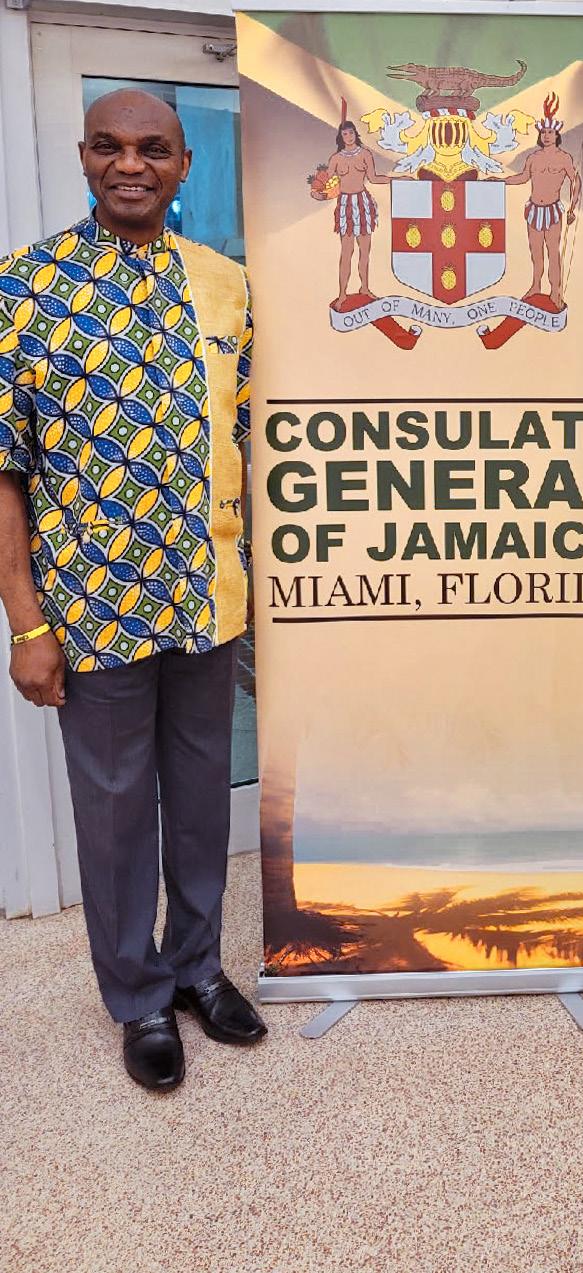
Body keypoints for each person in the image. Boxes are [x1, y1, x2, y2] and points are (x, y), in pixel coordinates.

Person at [0, 88, 266, 1092]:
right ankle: (139, 995)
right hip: (92, 608)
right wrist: (25, 622)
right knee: (115, 812)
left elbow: (247, 441)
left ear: (183, 166)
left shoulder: (228, 287)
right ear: (83, 156)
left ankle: (197, 966)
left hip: (208, 598)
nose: (130, 164)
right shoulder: (23, 289)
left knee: (199, 799)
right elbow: (4, 471)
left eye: (153, 149)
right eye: (109, 146)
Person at [497, 93, 581, 309]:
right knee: (536, 253)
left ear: (557, 135)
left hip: (553, 211)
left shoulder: (564, 158)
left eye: (550, 132)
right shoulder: (533, 158)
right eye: (543, 132)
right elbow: (523, 177)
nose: (546, 136)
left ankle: (555, 291)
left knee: (553, 252)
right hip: (534, 209)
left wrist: (572, 208)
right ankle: (535, 285)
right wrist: (501, 181)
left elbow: (575, 181)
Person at [313, 117, 391, 310]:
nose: (348, 136)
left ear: (356, 134)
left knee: (365, 251)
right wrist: (318, 193)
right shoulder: (335, 159)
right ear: (341, 137)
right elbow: (329, 185)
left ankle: (365, 288)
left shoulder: (365, 154)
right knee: (346, 252)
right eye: (345, 134)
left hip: (363, 203)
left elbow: (373, 178)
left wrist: (396, 179)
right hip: (345, 205)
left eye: (351, 133)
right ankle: (342, 294)